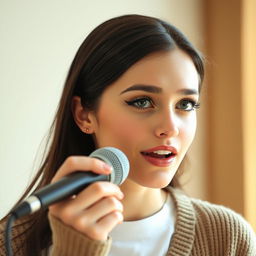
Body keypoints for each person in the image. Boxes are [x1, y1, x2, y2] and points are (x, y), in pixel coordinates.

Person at [0, 14, 255, 256]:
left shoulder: (227, 237)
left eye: (185, 104)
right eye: (142, 102)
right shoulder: (10, 243)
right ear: (84, 115)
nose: (170, 127)